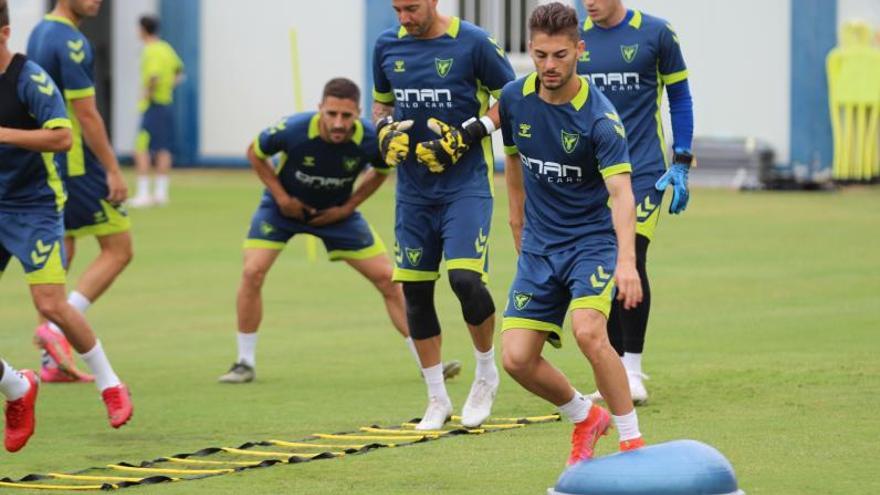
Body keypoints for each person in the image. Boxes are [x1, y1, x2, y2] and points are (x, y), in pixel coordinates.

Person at [218, 78, 461, 383]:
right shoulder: (293, 129)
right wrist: (282, 197)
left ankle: (428, 366)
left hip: (338, 215)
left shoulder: (371, 138)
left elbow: (382, 171)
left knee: (388, 279)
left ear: (357, 113)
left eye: (346, 116)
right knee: (253, 271)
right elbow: (255, 152)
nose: (338, 123)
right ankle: (244, 362)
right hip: (283, 210)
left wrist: (348, 207)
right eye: (331, 114)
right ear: (320, 108)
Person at [498, 2, 644, 465]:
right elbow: (516, 163)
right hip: (539, 247)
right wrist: (516, 222)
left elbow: (621, 193)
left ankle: (632, 443)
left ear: (580, 50)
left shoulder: (600, 119)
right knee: (517, 359)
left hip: (590, 245)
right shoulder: (513, 98)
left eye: (560, 55)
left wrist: (626, 262)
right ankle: (585, 417)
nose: (549, 66)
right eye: (540, 55)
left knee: (588, 333)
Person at [372, 0, 516, 429]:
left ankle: (486, 373)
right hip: (413, 193)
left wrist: (471, 132)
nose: (404, 19)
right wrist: (382, 131)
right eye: (397, 9)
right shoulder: (386, 47)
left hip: (465, 186)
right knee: (415, 292)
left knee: (465, 280)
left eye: (411, 8)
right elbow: (382, 106)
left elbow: (512, 99)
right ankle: (437, 398)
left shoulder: (473, 43)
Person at [0, 0, 132, 430]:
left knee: (51, 304)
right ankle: (16, 387)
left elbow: (63, 136)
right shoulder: (57, 35)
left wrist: (4, 136)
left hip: (35, 206)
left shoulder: (30, 78)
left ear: (4, 34)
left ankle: (111, 384)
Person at [578, 0, 695, 404]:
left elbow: (679, 96)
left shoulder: (657, 33)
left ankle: (632, 370)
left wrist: (681, 158)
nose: (588, 3)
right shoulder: (576, 41)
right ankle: (612, 369)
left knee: (632, 257)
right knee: (604, 261)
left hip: (644, 169)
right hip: (596, 175)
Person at [129, 14, 184, 208]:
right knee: (163, 148)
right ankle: (161, 193)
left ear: (143, 29)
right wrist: (168, 87)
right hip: (165, 103)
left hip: (152, 105)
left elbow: (153, 77)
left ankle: (144, 194)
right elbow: (179, 72)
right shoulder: (166, 48)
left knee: (141, 148)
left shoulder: (150, 50)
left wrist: (147, 94)